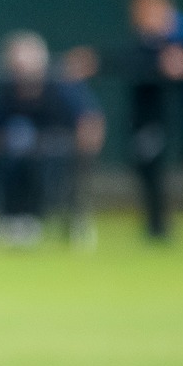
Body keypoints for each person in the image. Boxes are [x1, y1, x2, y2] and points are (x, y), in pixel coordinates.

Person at [0, 32, 81, 245]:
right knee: (10, 162)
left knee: (38, 165)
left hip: (49, 153)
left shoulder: (56, 88)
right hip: (12, 155)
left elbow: (70, 123)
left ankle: (34, 218)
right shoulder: (4, 91)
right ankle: (12, 218)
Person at [124, 0, 183, 242]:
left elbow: (180, 65)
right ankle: (156, 226)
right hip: (140, 117)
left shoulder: (175, 37)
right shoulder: (146, 41)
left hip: (161, 117)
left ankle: (159, 227)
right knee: (144, 168)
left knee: (154, 169)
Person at [55, 46, 106, 246]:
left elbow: (93, 120)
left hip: (76, 151)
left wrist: (90, 141)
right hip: (58, 148)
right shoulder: (59, 87)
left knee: (78, 191)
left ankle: (77, 226)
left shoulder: (80, 90)